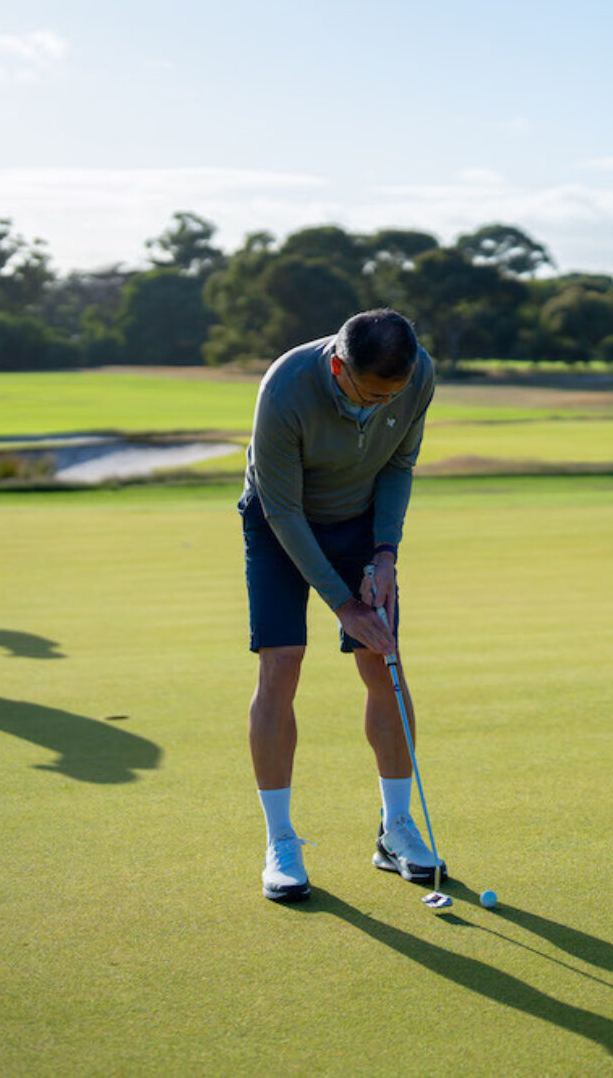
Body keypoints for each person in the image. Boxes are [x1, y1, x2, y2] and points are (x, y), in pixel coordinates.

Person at [240, 309, 440, 903]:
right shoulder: (285, 388)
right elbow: (283, 511)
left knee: (383, 660)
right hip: (280, 520)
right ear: (338, 369)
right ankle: (281, 842)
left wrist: (385, 553)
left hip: (361, 520)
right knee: (282, 663)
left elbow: (399, 463)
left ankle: (395, 829)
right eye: (371, 396)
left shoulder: (419, 374)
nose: (383, 407)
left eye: (393, 396)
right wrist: (343, 604)